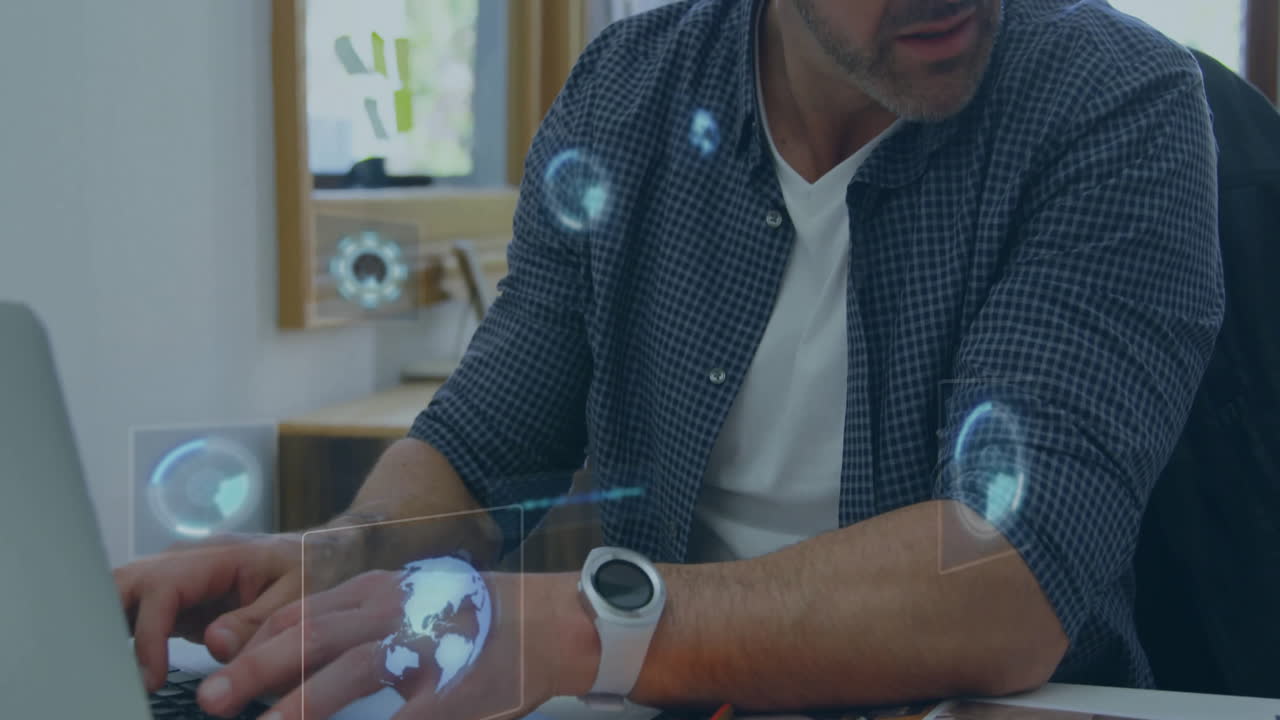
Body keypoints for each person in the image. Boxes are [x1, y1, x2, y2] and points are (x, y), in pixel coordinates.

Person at [114, 0, 1224, 718]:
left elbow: (1004, 576)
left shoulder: (1115, 103)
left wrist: (579, 627)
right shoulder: (627, 90)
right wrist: (346, 554)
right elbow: (485, 442)